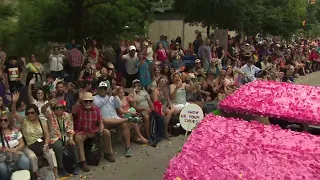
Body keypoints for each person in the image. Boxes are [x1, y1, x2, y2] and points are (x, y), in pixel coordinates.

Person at [93, 82, 140, 157]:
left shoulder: (112, 97)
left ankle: (127, 148)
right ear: (98, 89)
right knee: (106, 120)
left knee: (124, 125)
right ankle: (128, 119)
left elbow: (119, 105)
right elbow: (98, 105)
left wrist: (114, 96)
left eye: (104, 89)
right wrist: (108, 96)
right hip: (105, 122)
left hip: (116, 119)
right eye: (101, 88)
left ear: (107, 89)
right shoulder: (95, 98)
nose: (103, 90)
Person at [73, 92, 114, 172]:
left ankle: (108, 153)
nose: (88, 102)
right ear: (82, 101)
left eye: (90, 101)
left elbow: (101, 123)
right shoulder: (79, 108)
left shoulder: (96, 110)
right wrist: (79, 100)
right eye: (86, 101)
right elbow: (73, 111)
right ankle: (83, 161)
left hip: (94, 131)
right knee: (77, 138)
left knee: (106, 132)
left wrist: (100, 131)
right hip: (83, 132)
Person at [42, 100, 80, 177]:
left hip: (65, 136)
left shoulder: (67, 115)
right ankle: (61, 168)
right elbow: (42, 110)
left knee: (72, 144)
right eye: (57, 108)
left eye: (61, 107)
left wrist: (71, 138)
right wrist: (49, 103)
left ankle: (76, 165)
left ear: (63, 108)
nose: (59, 109)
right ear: (54, 109)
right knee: (58, 146)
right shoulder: (50, 116)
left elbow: (70, 128)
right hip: (54, 137)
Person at [21, 104, 58, 179]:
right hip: (29, 145)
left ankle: (56, 174)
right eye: (28, 113)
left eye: (32, 112)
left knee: (51, 153)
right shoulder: (24, 121)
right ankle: (38, 176)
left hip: (41, 143)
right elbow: (14, 113)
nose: (30, 114)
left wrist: (46, 145)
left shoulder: (41, 121)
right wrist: (14, 102)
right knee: (32, 157)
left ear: (37, 113)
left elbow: (47, 134)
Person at [0, 112, 30, 180]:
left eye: (5, 120)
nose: (3, 122)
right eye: (1, 120)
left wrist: (16, 149)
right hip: (2, 155)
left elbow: (22, 143)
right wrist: (8, 149)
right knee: (3, 169)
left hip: (16, 152)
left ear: (9, 121)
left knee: (25, 161)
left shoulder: (15, 131)